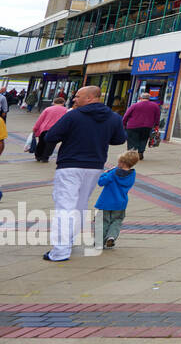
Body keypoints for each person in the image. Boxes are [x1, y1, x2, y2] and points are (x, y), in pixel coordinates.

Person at [39, 86, 127, 262]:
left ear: (90, 98)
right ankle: (68, 243)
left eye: (78, 96)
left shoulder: (73, 115)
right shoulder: (113, 117)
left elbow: (51, 136)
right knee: (80, 206)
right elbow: (119, 139)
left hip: (70, 165)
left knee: (65, 206)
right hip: (94, 166)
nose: (74, 99)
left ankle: (60, 251)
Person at [94, 149, 139, 249]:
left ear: (122, 163)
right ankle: (111, 236)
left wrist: (106, 172)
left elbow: (101, 182)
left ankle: (99, 242)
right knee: (117, 221)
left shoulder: (114, 172)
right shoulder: (133, 174)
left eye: (119, 161)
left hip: (106, 202)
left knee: (103, 221)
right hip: (120, 203)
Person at [32, 93, 69, 162]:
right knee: (51, 144)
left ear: (54, 102)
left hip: (44, 129)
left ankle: (38, 156)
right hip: (57, 130)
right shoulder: (66, 110)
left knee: (41, 142)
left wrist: (35, 128)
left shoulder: (48, 109)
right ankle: (45, 157)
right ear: (63, 103)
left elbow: (40, 119)